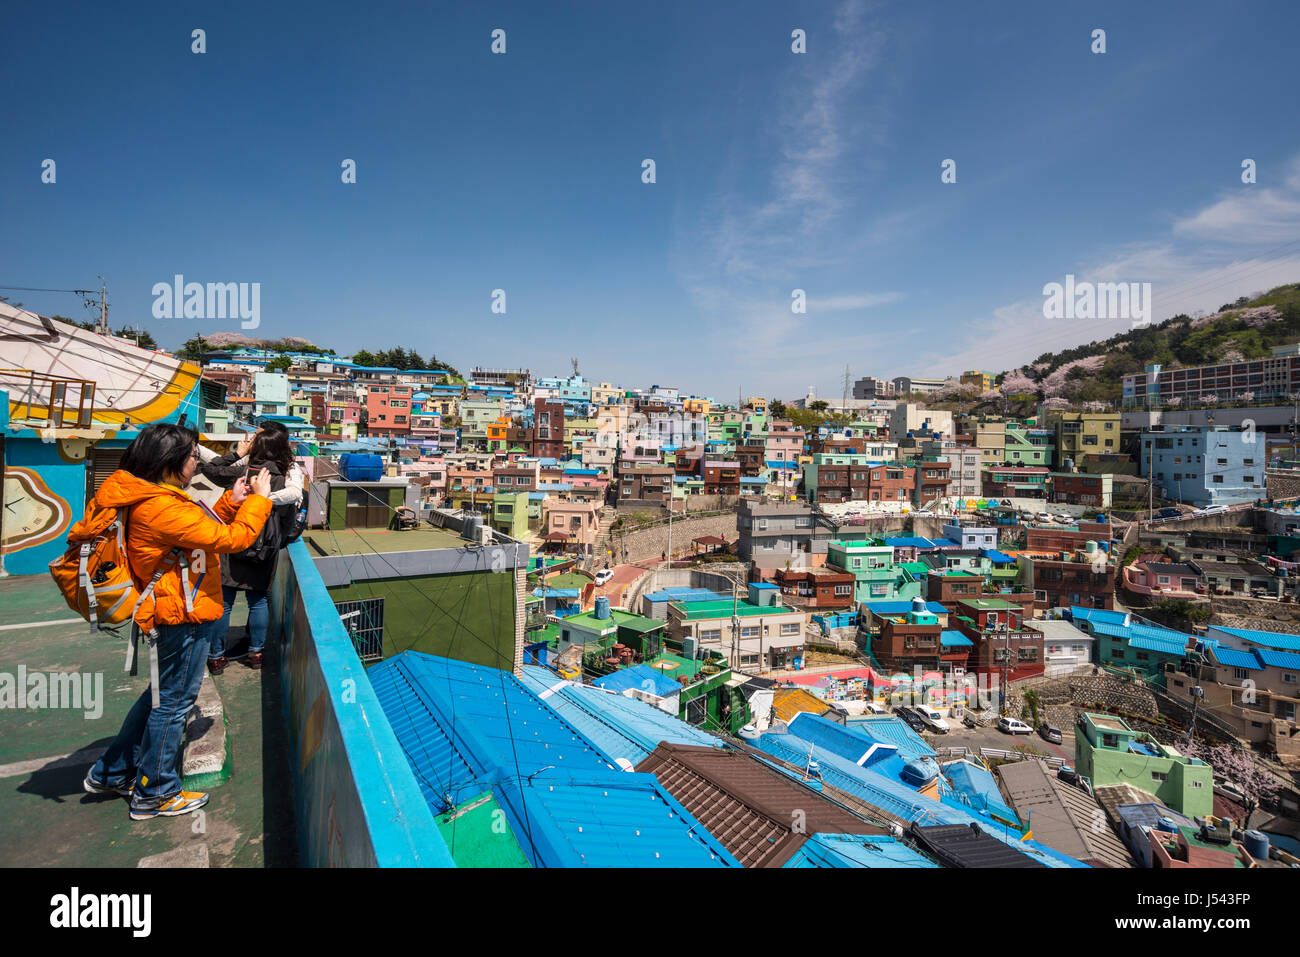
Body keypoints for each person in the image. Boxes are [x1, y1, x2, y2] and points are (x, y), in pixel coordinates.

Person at [82, 423, 273, 820]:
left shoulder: (157, 498)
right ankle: (155, 792)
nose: (194, 463)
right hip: (181, 612)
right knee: (172, 704)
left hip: (174, 606)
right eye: (190, 457)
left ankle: (113, 770)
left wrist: (229, 502)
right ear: (170, 462)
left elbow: (196, 534)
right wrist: (260, 500)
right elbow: (232, 540)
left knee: (160, 696)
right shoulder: (162, 506)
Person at [207, 425, 304, 673]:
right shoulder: (282, 477)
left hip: (235, 539)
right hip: (265, 546)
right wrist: (279, 540)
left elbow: (212, 469)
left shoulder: (242, 471)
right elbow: (288, 516)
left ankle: (216, 656)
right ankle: (256, 654)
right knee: (258, 600)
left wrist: (238, 454)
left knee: (225, 601)